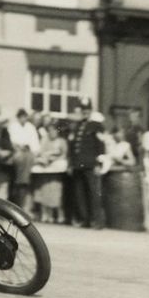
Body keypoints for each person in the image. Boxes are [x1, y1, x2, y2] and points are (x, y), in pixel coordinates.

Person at [67, 98, 106, 229]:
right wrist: (71, 164)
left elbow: (100, 145)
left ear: (91, 110)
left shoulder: (96, 125)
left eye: (87, 110)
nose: (85, 112)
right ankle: (85, 220)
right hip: (78, 164)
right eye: (83, 110)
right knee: (80, 193)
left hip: (90, 164)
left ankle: (97, 221)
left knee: (94, 193)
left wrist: (98, 163)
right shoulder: (77, 126)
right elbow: (73, 146)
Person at [33, 122, 68, 223]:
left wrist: (54, 159)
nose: (52, 132)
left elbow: (64, 155)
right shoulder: (45, 141)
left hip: (56, 169)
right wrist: (44, 159)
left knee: (56, 192)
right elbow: (41, 153)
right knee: (44, 191)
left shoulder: (62, 141)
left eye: (54, 130)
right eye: (50, 130)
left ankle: (59, 216)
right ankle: (46, 215)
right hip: (45, 169)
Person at [8, 108, 41, 210]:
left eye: (24, 117)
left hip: (28, 152)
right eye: (20, 117)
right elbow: (12, 141)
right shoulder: (13, 126)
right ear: (18, 118)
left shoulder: (30, 127)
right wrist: (18, 147)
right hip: (17, 150)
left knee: (28, 159)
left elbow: (34, 144)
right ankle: (21, 181)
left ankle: (23, 182)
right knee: (20, 158)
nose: (23, 119)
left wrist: (32, 151)